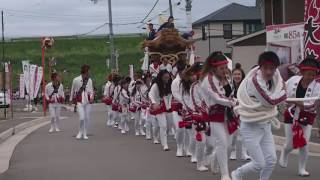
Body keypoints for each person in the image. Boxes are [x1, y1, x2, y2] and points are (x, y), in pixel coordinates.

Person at [232, 51, 287, 180]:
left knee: (271, 160)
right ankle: (237, 173)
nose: (268, 72)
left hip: (265, 124)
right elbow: (269, 101)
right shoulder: (254, 81)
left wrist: (280, 91)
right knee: (259, 163)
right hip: (250, 125)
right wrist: (284, 93)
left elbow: (273, 97)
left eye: (272, 68)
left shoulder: (274, 78)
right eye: (265, 68)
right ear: (260, 67)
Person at [200, 51, 238, 180]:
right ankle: (225, 174)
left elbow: (230, 94)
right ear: (214, 68)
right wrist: (233, 102)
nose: (225, 70)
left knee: (229, 145)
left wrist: (235, 102)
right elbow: (217, 97)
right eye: (221, 68)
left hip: (229, 115)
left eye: (226, 67)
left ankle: (215, 160)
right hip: (215, 115)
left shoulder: (227, 78)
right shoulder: (208, 79)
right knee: (222, 143)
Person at [279, 58, 320, 177]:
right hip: (291, 114)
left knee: (304, 143)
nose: (311, 77)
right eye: (308, 74)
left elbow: (310, 105)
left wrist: (294, 101)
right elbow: (283, 90)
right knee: (290, 144)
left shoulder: (317, 86)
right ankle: (285, 151)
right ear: (302, 72)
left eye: (313, 74)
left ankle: (302, 168)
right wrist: (282, 91)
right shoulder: (293, 80)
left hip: (307, 116)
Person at [181, 62, 209, 172]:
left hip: (211, 116)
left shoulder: (209, 84)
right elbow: (196, 103)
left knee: (211, 143)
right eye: (201, 72)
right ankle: (199, 163)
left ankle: (206, 159)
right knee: (200, 140)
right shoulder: (194, 87)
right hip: (198, 116)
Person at [229, 63, 250, 161]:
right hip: (232, 111)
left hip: (243, 111)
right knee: (233, 133)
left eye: (239, 74)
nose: (237, 76)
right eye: (235, 74)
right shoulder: (229, 86)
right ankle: (232, 151)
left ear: (242, 76)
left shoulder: (246, 86)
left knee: (244, 132)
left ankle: (244, 152)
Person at [149, 70, 173, 151]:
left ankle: (161, 135)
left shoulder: (170, 84)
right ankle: (165, 144)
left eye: (168, 77)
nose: (167, 79)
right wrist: (153, 103)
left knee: (169, 126)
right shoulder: (156, 85)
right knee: (163, 126)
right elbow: (150, 94)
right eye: (165, 77)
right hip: (159, 107)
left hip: (168, 107)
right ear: (161, 77)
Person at [70, 65, 94, 140]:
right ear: (85, 71)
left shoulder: (89, 80)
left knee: (87, 118)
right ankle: (80, 132)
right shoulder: (76, 79)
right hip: (79, 100)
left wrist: (92, 97)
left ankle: (85, 133)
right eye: (88, 71)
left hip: (87, 101)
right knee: (82, 118)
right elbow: (72, 90)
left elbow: (91, 90)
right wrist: (71, 100)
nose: (89, 72)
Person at [171, 59, 187, 157]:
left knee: (188, 130)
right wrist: (184, 102)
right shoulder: (175, 82)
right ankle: (179, 146)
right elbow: (176, 94)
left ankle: (187, 147)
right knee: (179, 128)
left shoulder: (188, 81)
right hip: (177, 108)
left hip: (188, 108)